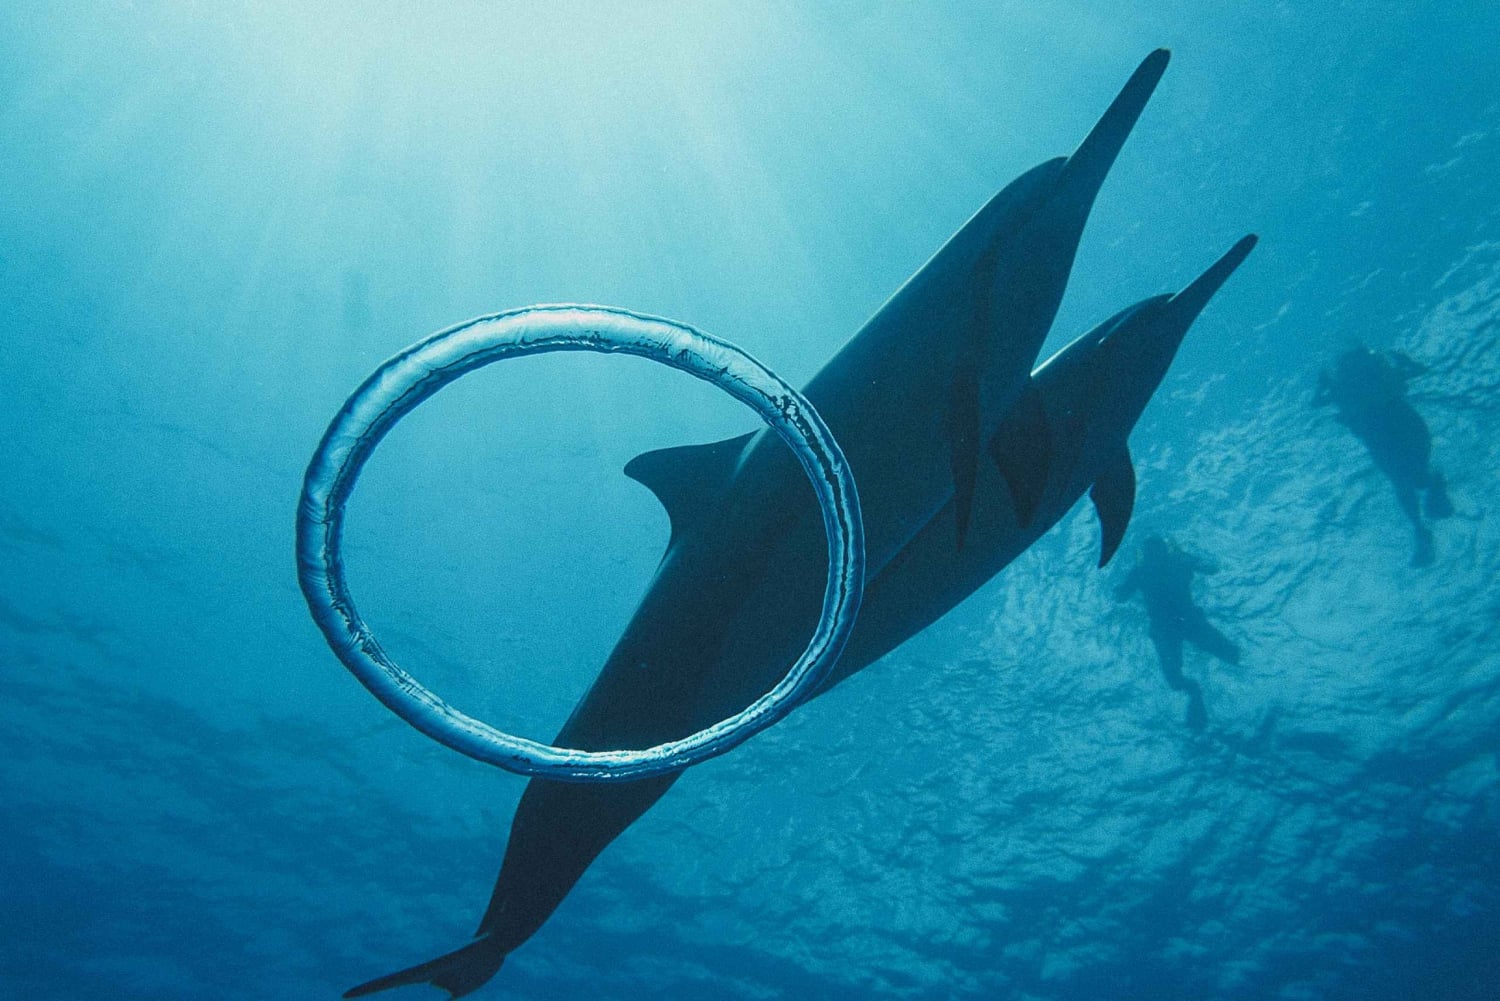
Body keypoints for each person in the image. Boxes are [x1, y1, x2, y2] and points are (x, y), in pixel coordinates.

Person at [1314, 345, 1453, 566]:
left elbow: (1317, 404)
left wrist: (1322, 386)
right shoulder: (1375, 372)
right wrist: (1405, 362)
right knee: (1411, 475)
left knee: (1402, 481)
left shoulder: (1341, 385)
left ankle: (1422, 522)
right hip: (1403, 424)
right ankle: (1433, 488)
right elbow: (1419, 371)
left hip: (1379, 435)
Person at [1116, 534, 1241, 731]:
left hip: (1175, 625)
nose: (1156, 555)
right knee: (1227, 656)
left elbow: (1121, 597)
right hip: (1180, 624)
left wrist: (1121, 587)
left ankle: (1194, 692)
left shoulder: (1144, 569)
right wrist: (1189, 557)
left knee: (1226, 657)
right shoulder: (1168, 563)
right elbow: (1213, 568)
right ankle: (1195, 692)